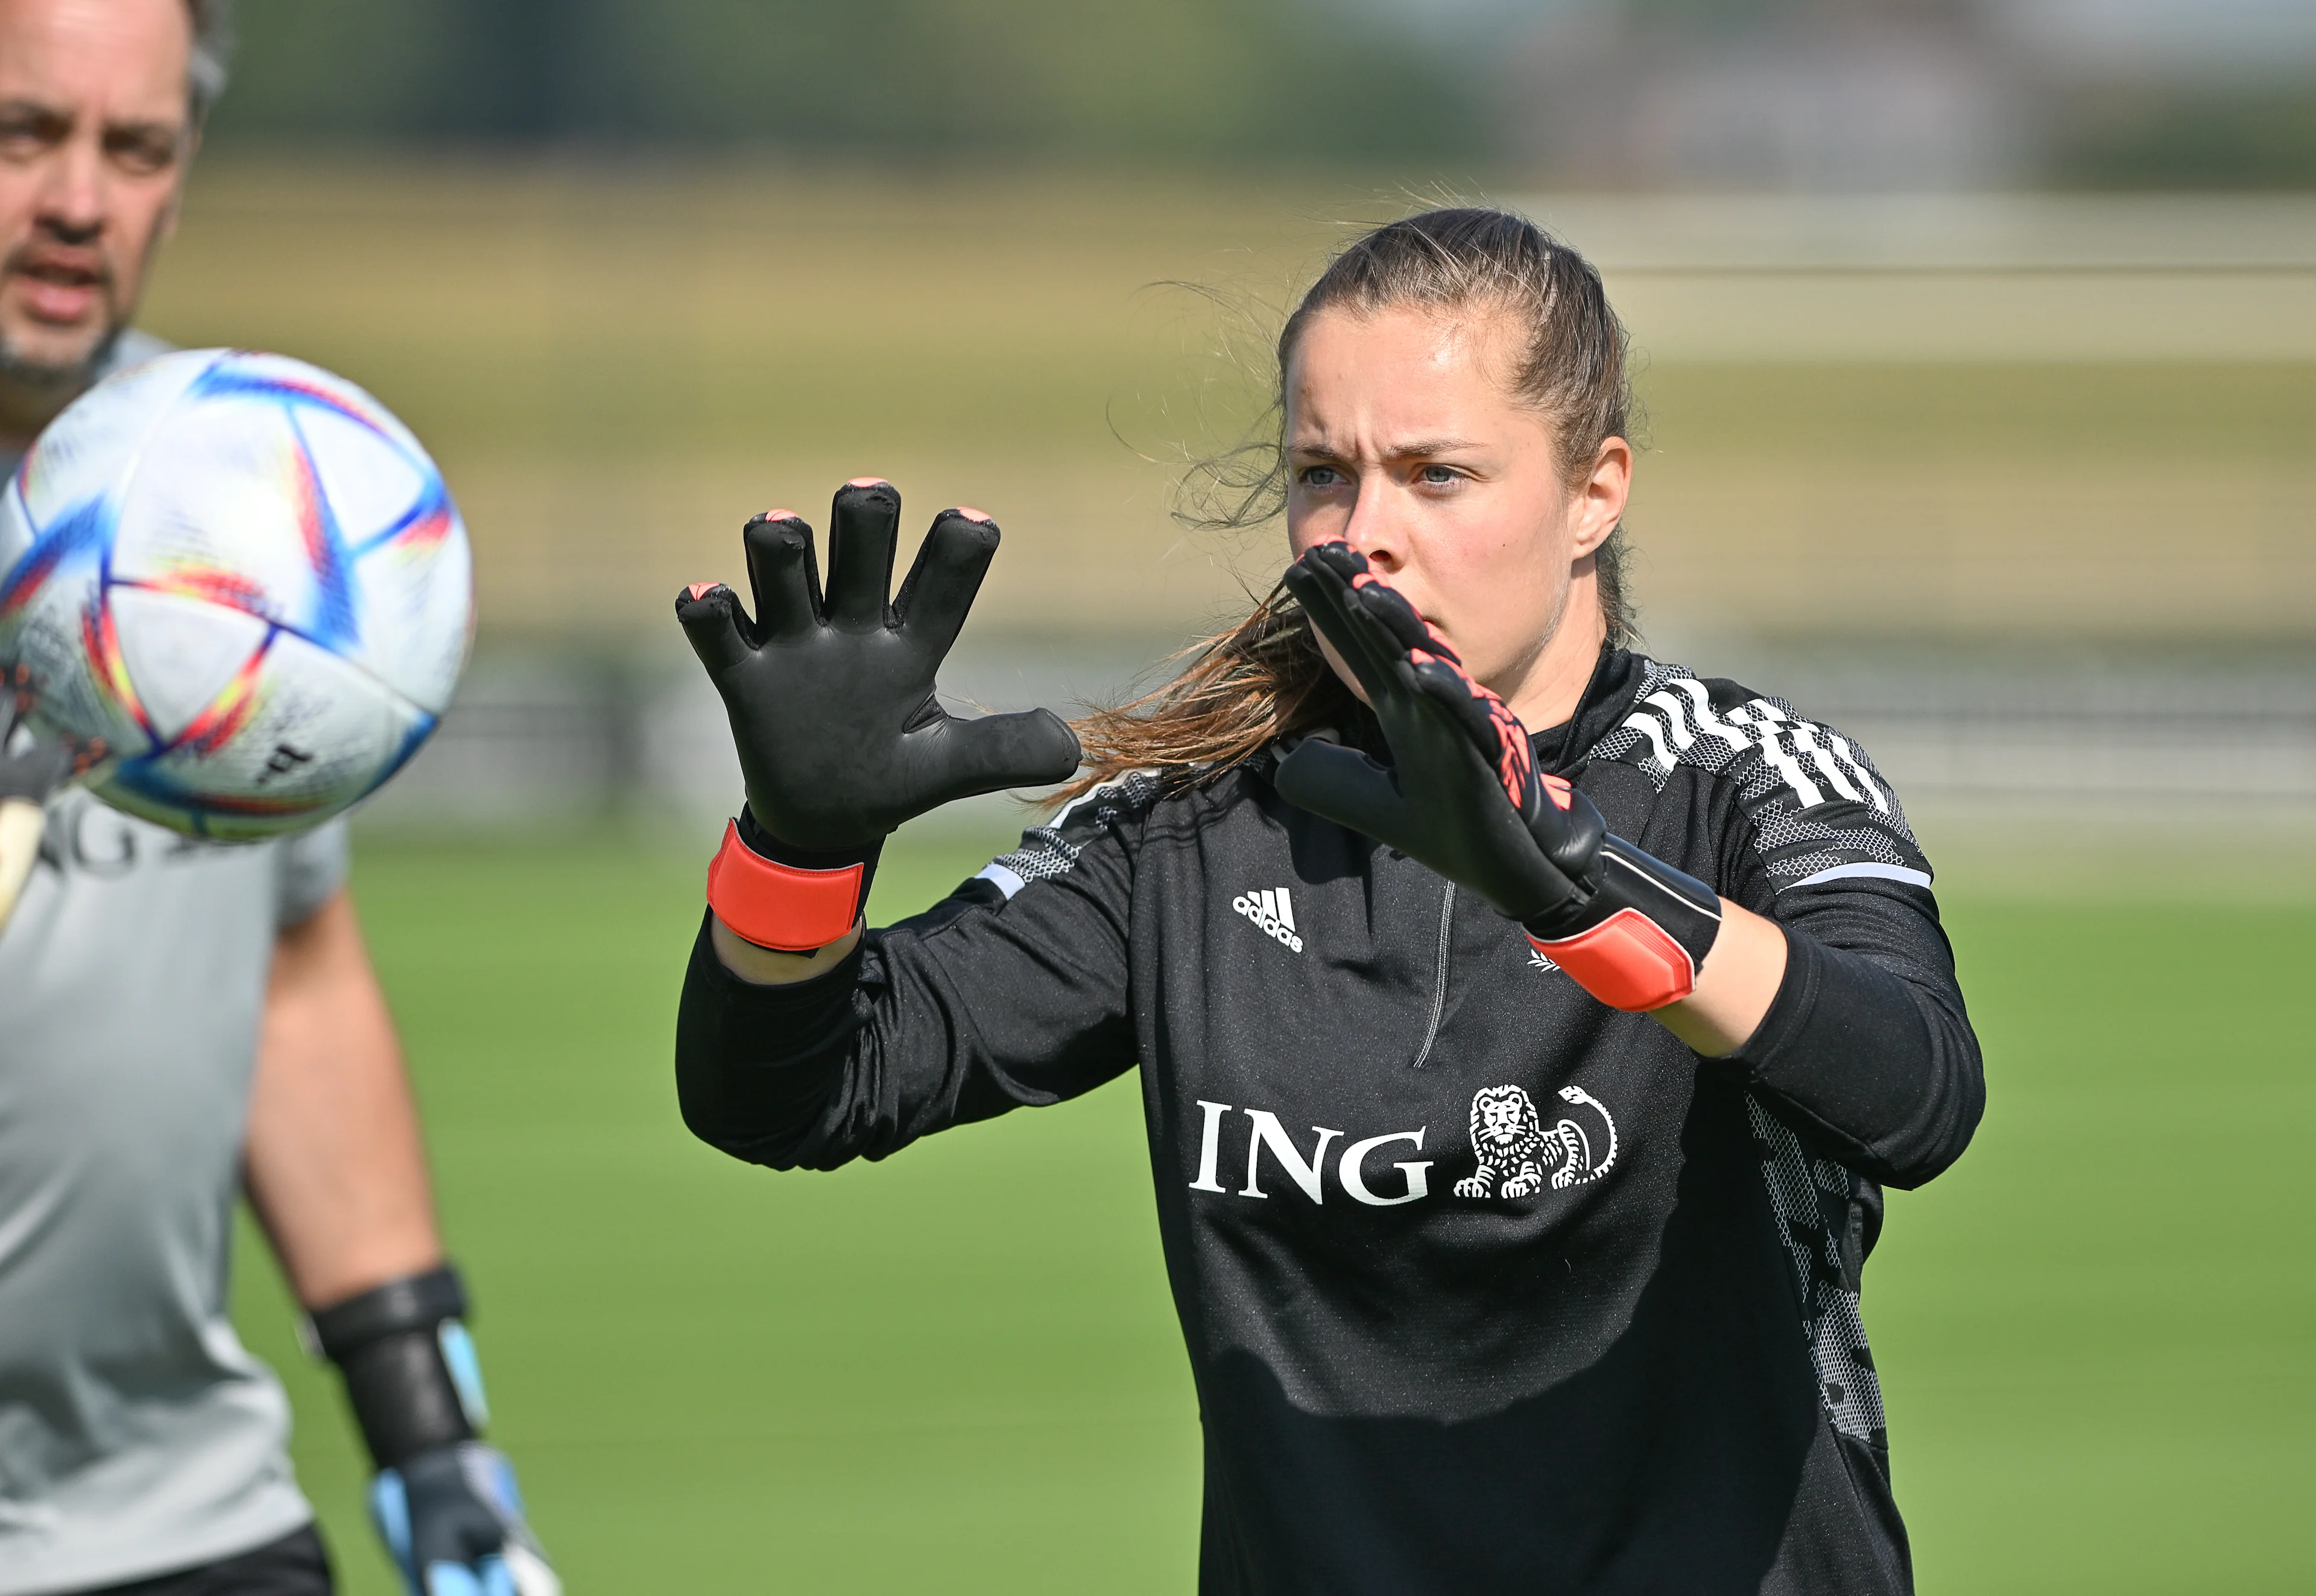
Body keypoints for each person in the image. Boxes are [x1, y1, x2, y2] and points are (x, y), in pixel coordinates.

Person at [671, 209, 1983, 1594]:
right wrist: (794, 856)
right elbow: (795, 1090)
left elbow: (1916, 1090)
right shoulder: (1188, 827)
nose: (1366, 536)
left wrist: (1578, 885)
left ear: (1595, 491)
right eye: (1322, 474)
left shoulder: (1735, 779)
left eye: (1438, 474)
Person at [0, 4, 555, 1594]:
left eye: (137, 148)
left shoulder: (247, 497)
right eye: (23, 133)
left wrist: (430, 1434)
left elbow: (296, 973)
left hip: (177, 1510)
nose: (78, 202)